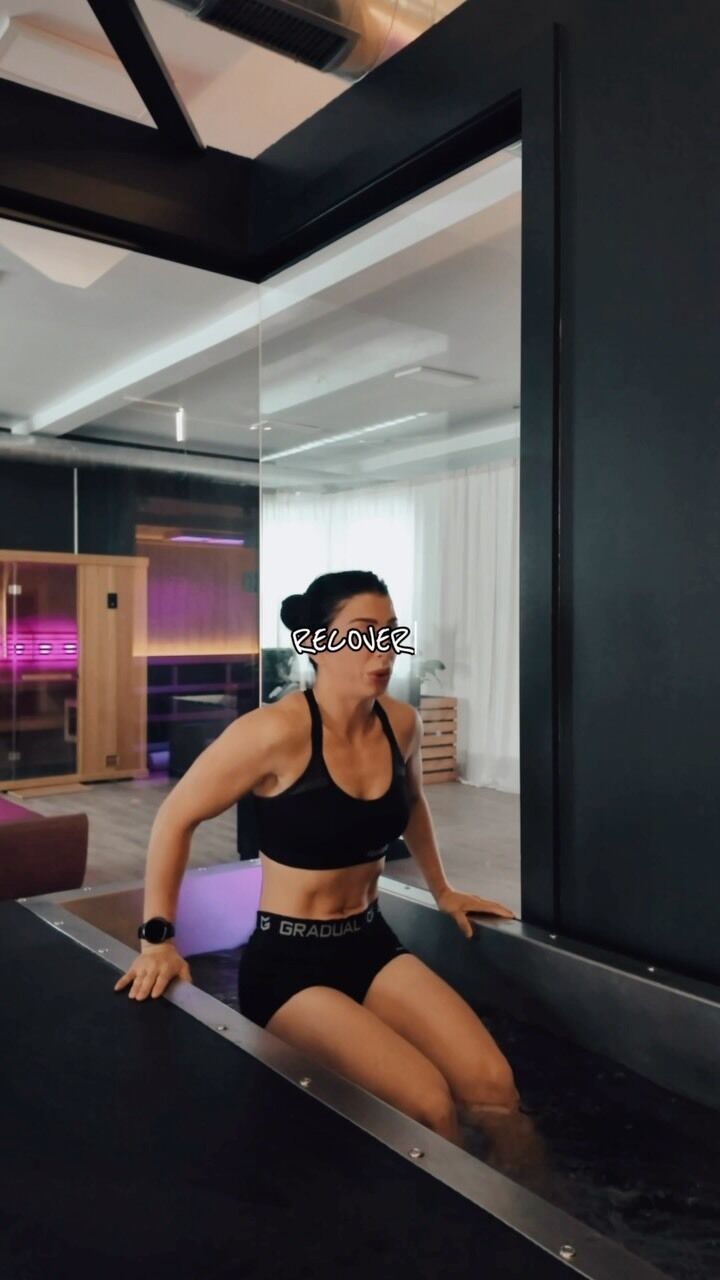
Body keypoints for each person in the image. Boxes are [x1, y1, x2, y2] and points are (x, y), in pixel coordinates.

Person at [115, 570, 546, 1169]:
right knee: (430, 1107)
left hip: (370, 943)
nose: (382, 650)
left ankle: (536, 1212)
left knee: (496, 1088)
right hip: (290, 965)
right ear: (316, 644)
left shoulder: (402, 724)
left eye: (391, 633)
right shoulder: (272, 733)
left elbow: (413, 805)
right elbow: (174, 819)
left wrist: (443, 890)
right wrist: (158, 940)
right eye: (362, 633)